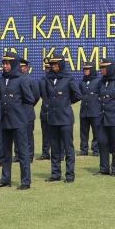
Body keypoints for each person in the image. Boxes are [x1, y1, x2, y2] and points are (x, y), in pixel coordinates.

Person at [0, 51, 35, 190]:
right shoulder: (0, 79)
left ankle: (25, 181)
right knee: (6, 152)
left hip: (18, 121)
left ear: (14, 64)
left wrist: (17, 107)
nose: (5, 66)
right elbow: (0, 97)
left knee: (23, 152)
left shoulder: (21, 79)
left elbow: (30, 99)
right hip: (5, 120)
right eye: (4, 63)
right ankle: (5, 179)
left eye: (7, 63)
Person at [40, 52, 78, 182]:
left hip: (65, 118)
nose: (53, 67)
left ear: (61, 65)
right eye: (52, 65)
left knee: (68, 147)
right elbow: (45, 95)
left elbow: (77, 95)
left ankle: (70, 175)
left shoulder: (68, 78)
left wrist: (66, 103)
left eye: (56, 65)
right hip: (52, 118)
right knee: (54, 147)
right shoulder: (47, 78)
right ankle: (55, 174)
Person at [77, 63, 100, 157]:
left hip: (95, 111)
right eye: (84, 69)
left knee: (96, 132)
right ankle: (84, 150)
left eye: (87, 69)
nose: (85, 70)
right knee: (83, 132)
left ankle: (96, 150)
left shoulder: (98, 81)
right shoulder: (82, 82)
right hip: (84, 111)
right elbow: (78, 94)